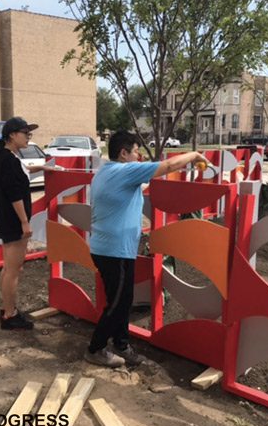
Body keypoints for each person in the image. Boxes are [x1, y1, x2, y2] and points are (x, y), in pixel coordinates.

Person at [83, 131, 207, 367]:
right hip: (114, 251)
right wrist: (194, 155)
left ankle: (121, 344)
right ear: (124, 153)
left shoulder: (104, 173)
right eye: (136, 151)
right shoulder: (124, 171)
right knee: (119, 303)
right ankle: (95, 348)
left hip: (111, 248)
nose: (139, 156)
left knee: (121, 300)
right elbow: (169, 164)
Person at [0, 117, 40, 330]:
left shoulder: (5, 155)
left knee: (8, 268)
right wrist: (24, 222)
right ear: (12, 134)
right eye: (25, 133)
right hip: (13, 222)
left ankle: (6, 308)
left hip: (6, 220)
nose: (28, 137)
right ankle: (10, 315)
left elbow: (22, 173)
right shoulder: (8, 159)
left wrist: (43, 169)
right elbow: (14, 193)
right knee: (14, 270)